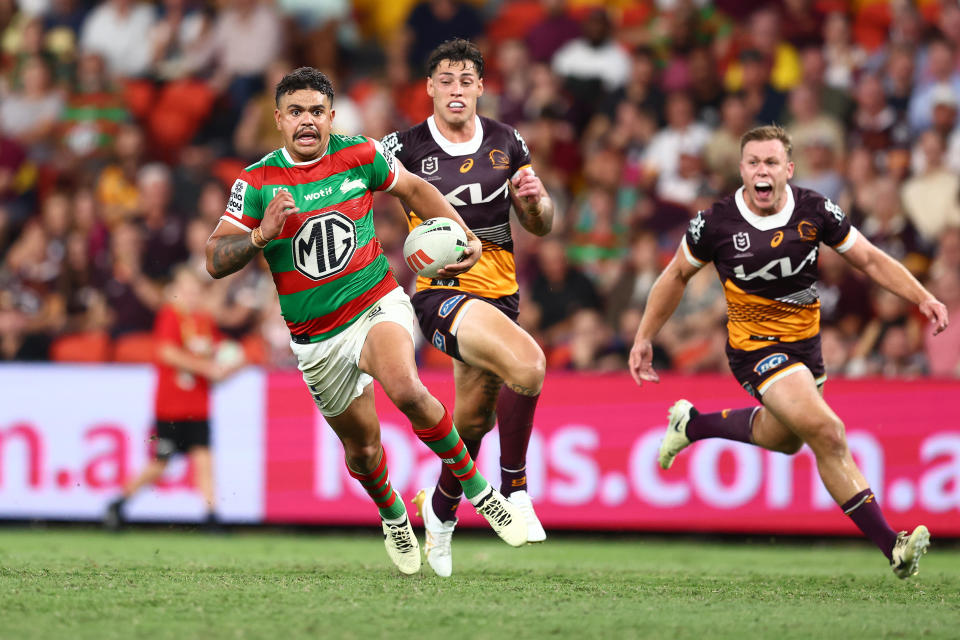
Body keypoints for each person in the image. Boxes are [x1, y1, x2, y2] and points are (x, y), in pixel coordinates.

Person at [204, 66, 528, 574]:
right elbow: (215, 257)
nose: (306, 121)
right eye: (296, 113)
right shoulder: (256, 182)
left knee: (407, 388)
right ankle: (394, 514)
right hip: (316, 338)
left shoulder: (362, 154)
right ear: (279, 120)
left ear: (331, 117)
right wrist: (262, 235)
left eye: (316, 112)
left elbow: (417, 191)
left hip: (375, 300)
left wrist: (464, 233)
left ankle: (479, 491)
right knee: (363, 451)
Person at [629, 125, 949, 580]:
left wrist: (921, 297)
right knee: (829, 431)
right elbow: (675, 276)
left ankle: (692, 424)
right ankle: (892, 545)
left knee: (787, 438)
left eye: (772, 163)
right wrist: (644, 337)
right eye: (754, 162)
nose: (763, 171)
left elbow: (870, 259)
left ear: (788, 170)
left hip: (806, 349)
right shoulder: (716, 222)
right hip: (754, 350)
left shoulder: (815, 209)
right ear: (742, 170)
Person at [381, 39, 554, 577]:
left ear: (480, 87)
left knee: (473, 424)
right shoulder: (402, 146)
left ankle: (440, 514)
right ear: (429, 88)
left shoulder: (508, 141)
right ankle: (516, 488)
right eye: (446, 80)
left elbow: (539, 224)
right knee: (529, 366)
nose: (457, 89)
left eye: (466, 80)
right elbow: (351, 187)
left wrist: (537, 203)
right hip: (441, 294)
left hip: (501, 294)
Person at [104, 265, 242, 531]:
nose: (190, 296)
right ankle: (119, 502)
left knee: (204, 460)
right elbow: (167, 353)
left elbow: (220, 350)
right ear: (174, 293)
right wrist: (207, 368)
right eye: (185, 291)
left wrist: (233, 365)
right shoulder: (170, 317)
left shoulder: (203, 320)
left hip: (198, 406)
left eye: (194, 291)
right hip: (171, 407)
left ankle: (212, 517)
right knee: (160, 464)